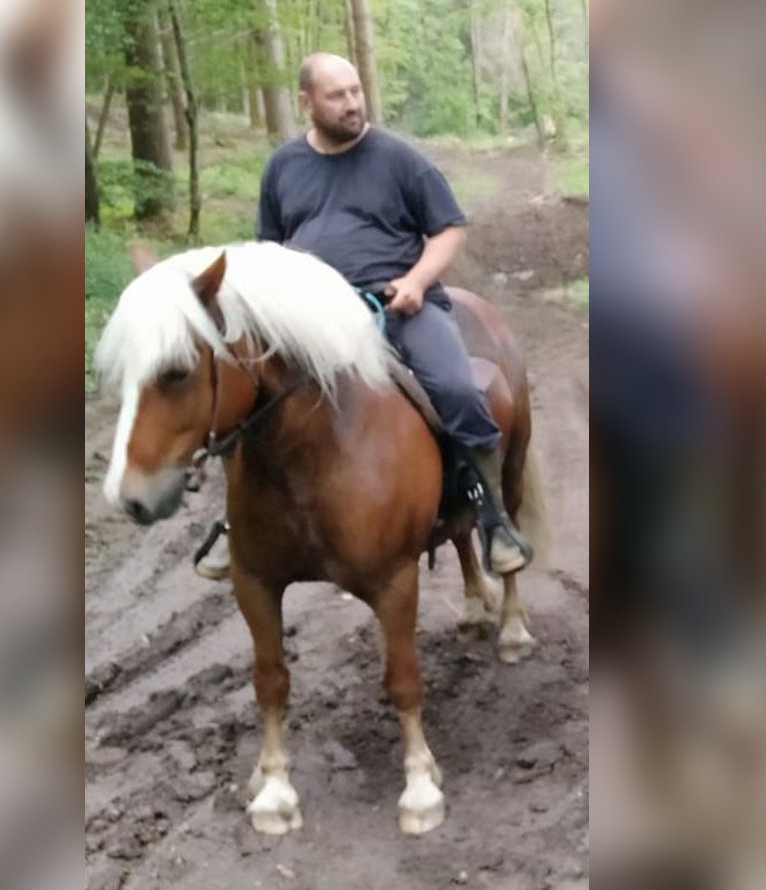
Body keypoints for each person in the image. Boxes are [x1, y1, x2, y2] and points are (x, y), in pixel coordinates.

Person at [194, 52, 531, 580]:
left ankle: (491, 515)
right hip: (312, 320)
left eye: (355, 91)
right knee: (243, 400)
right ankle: (236, 523)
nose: (353, 103)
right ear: (306, 102)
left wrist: (416, 282)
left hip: (398, 306)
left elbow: (449, 230)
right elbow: (270, 249)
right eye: (337, 95)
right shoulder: (282, 166)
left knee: (459, 390)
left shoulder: (400, 158)